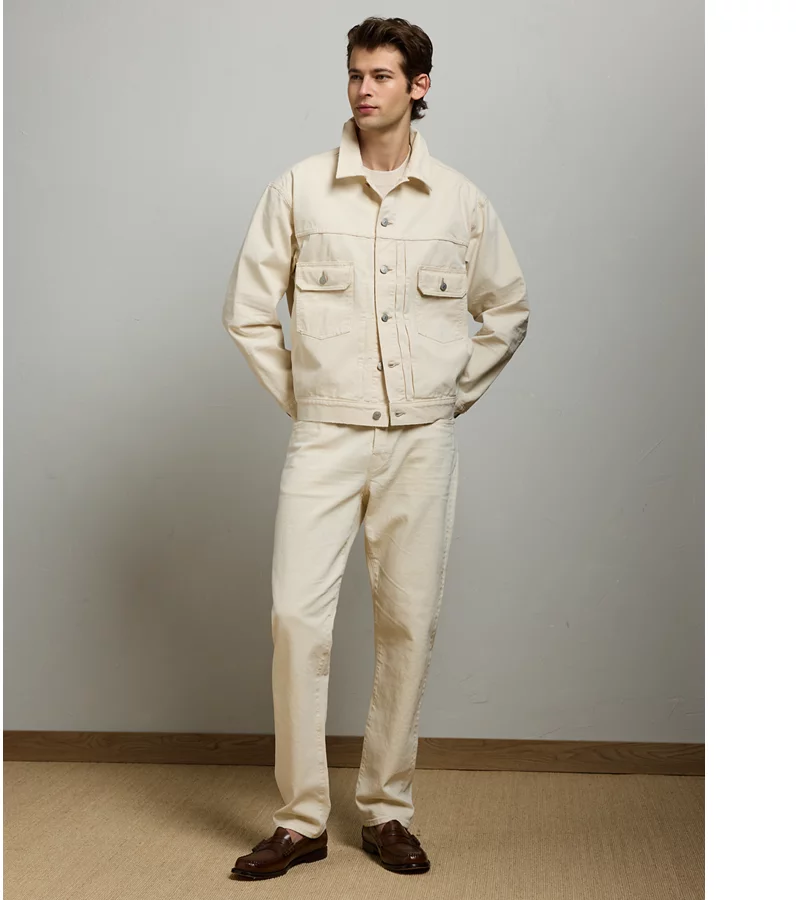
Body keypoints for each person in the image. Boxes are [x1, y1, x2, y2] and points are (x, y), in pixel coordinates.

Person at [223, 16, 529, 880]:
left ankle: (387, 810)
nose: (364, 89)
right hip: (325, 437)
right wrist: (309, 398)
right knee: (296, 622)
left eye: (383, 75)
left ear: (419, 87)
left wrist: (447, 395)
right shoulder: (299, 190)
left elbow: (507, 308)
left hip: (420, 444)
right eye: (356, 74)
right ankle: (300, 820)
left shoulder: (460, 201)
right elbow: (248, 310)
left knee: (407, 623)